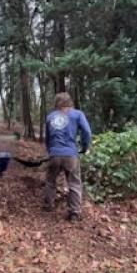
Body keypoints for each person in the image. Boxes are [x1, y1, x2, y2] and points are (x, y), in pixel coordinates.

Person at [44, 92, 91, 222]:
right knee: (74, 183)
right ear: (70, 102)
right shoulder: (77, 114)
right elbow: (86, 131)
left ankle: (49, 205)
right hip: (71, 154)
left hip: (54, 153)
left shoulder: (50, 117)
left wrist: (51, 151)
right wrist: (85, 147)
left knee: (50, 180)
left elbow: (47, 138)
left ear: (56, 103)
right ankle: (74, 213)